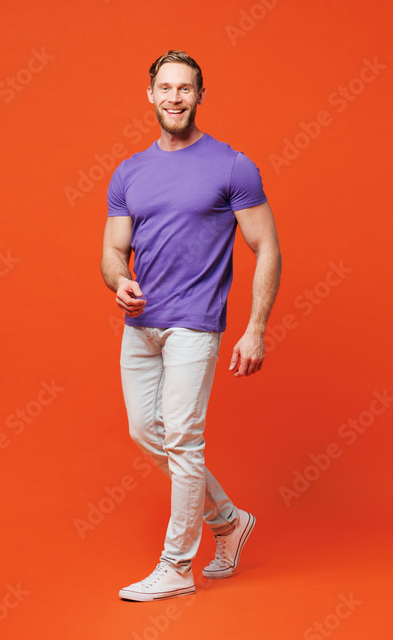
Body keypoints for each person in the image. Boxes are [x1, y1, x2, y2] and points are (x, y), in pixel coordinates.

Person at [101, 50, 282, 602]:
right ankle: (228, 520)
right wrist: (119, 281)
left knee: (182, 438)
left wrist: (255, 328)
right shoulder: (129, 171)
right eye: (166, 88)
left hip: (195, 324)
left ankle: (177, 567)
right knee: (145, 432)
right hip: (141, 325)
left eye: (185, 88)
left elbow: (267, 246)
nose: (175, 98)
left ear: (200, 96)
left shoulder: (231, 165)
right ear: (150, 95)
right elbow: (113, 251)